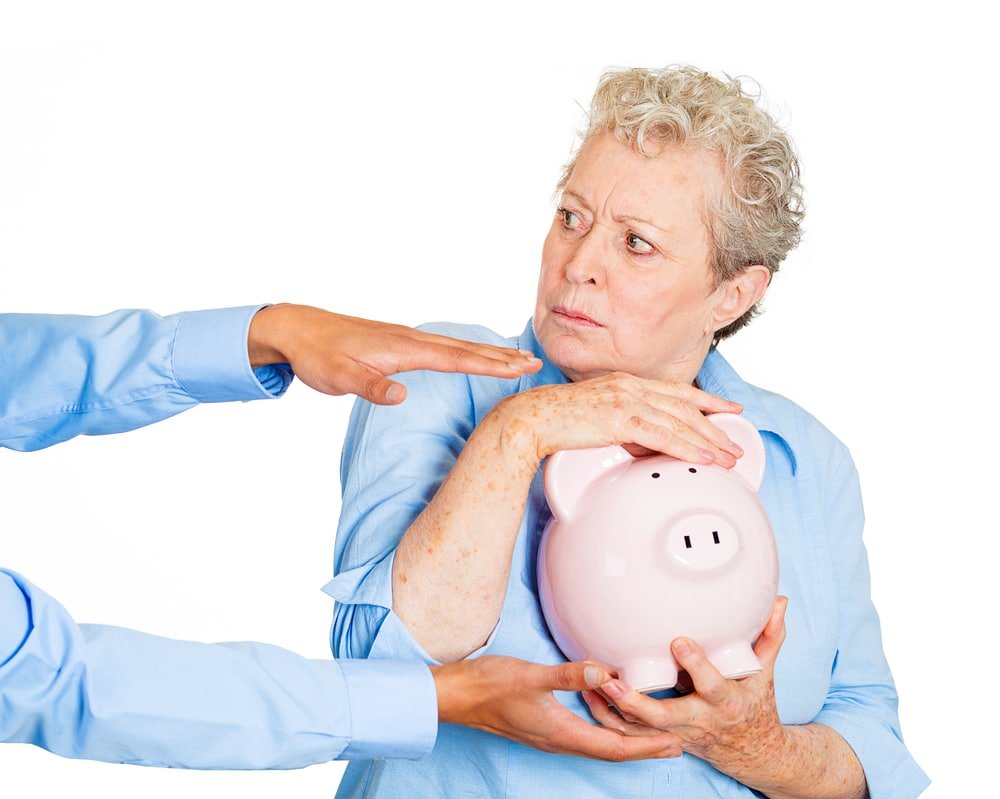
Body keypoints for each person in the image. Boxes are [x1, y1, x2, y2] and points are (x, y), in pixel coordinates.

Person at [328, 67, 930, 798]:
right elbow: (380, 669)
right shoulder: (441, 377)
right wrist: (525, 427)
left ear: (731, 293)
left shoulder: (803, 455)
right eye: (572, 218)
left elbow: (870, 737)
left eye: (636, 243)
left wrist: (756, 745)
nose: (579, 267)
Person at [0, 302, 683, 767]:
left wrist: (268, 332)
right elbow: (56, 678)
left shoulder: (788, 437)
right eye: (569, 217)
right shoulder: (441, 400)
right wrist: (437, 696)